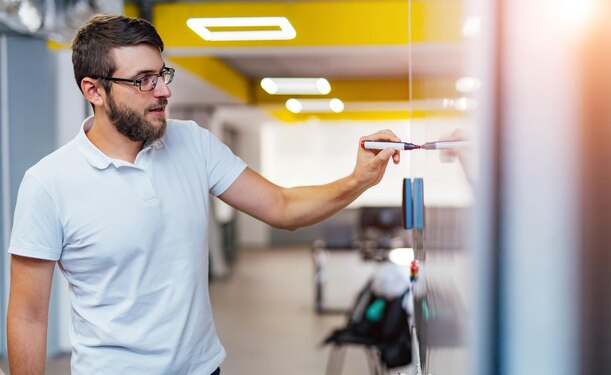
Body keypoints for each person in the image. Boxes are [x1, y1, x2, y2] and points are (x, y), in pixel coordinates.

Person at [6, 15, 401, 375]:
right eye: (144, 79)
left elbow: (281, 206)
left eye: (163, 75)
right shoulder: (48, 183)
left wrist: (359, 179)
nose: (163, 91)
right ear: (94, 90)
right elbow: (28, 315)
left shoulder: (193, 143)